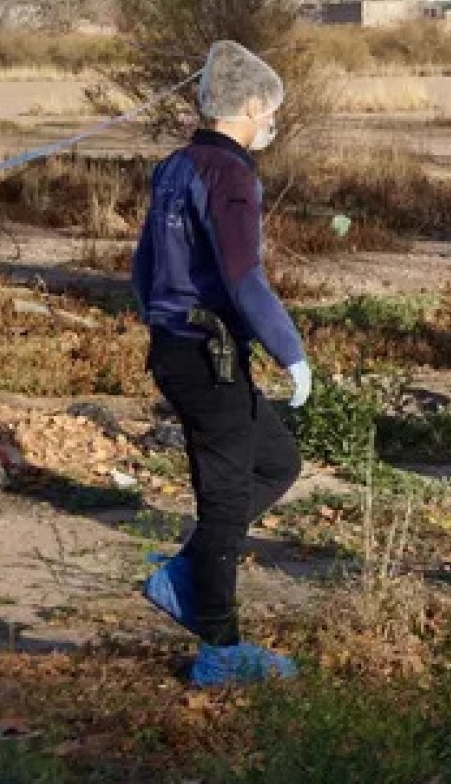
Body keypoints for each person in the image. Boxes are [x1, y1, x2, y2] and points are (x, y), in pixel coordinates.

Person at [132, 41, 312, 688]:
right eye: (272, 110)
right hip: (207, 356)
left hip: (180, 348)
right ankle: (219, 649)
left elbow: (143, 265)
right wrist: (291, 352)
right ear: (254, 104)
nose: (273, 122)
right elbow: (243, 276)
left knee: (277, 462)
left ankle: (186, 574)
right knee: (226, 500)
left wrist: (160, 322)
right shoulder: (229, 175)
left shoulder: (176, 165)